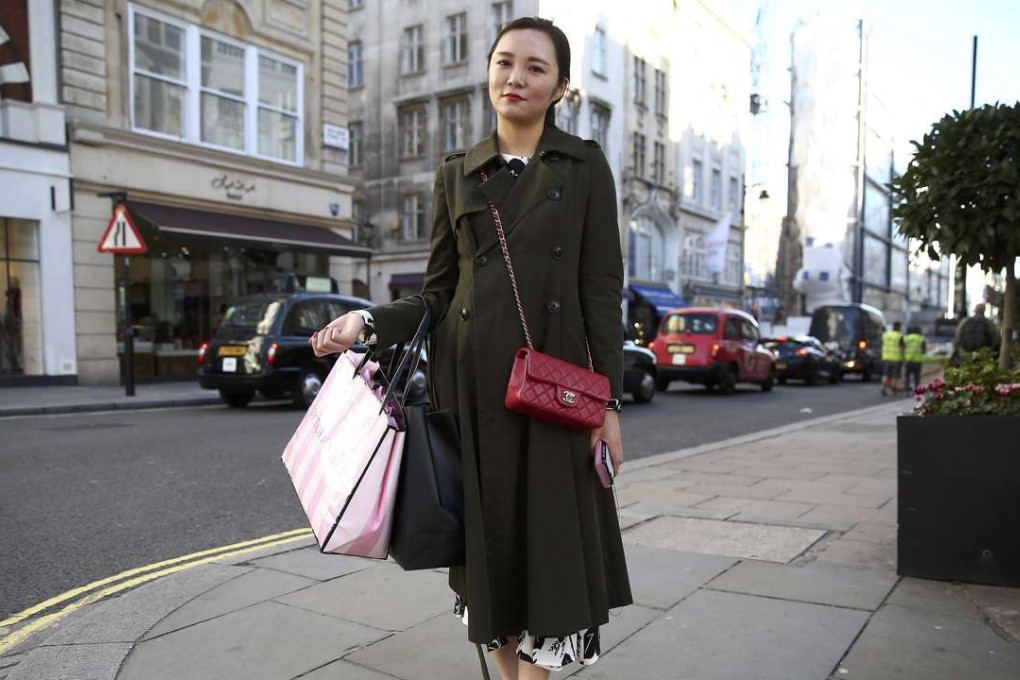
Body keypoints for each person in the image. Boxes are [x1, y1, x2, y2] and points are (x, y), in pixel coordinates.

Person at [310, 17, 631, 679]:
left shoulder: (586, 167)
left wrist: (611, 405)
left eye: (536, 68)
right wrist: (365, 324)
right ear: (488, 71)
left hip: (556, 393)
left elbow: (601, 292)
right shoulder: (458, 172)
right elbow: (435, 294)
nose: (516, 77)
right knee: (492, 559)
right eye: (505, 62)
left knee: (550, 555)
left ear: (561, 87)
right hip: (474, 392)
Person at [880, 321, 905, 396]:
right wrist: (903, 358)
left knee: (886, 374)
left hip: (886, 357)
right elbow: (902, 348)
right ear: (899, 327)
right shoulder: (899, 336)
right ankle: (894, 388)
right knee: (895, 375)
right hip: (896, 359)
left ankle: (883, 387)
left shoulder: (886, 335)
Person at [903, 325, 926, 392]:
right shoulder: (921, 338)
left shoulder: (906, 338)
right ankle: (917, 390)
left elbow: (903, 348)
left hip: (908, 360)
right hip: (917, 361)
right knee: (917, 377)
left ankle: (906, 389)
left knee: (907, 376)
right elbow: (924, 350)